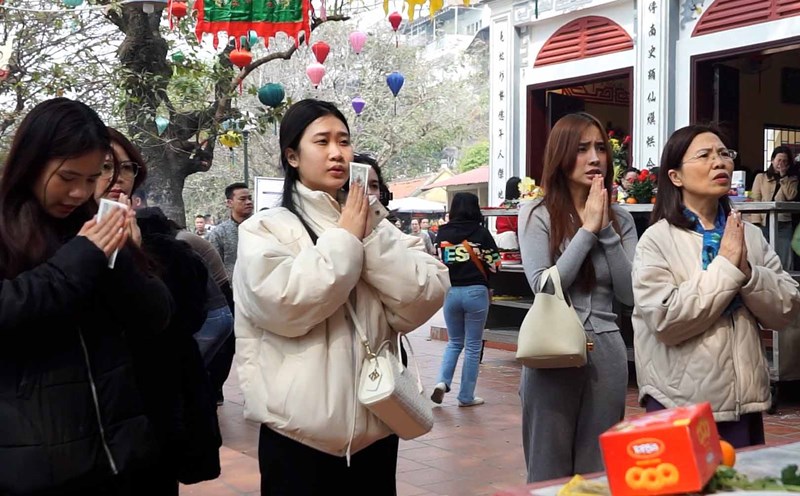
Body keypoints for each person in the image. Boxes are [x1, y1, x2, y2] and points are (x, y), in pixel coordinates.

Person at [233, 99, 449, 495]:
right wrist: (345, 239)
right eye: (322, 141)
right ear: (292, 156)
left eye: (344, 141)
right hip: (299, 436)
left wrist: (367, 234)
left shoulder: (379, 226)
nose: (337, 153)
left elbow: (423, 297)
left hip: (380, 422)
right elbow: (285, 306)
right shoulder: (265, 229)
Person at [0, 98, 174, 495]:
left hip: (117, 455)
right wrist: (78, 261)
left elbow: (156, 317)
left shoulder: (95, 224)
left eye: (92, 177)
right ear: (31, 162)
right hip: (30, 465)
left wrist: (123, 259)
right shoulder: (7, 228)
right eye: (66, 177)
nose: (79, 192)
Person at [632, 125, 800, 449]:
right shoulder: (657, 239)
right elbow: (666, 320)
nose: (719, 162)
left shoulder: (749, 235)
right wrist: (725, 266)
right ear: (676, 176)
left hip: (744, 404)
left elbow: (786, 307)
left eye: (724, 154)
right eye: (705, 155)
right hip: (679, 404)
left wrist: (748, 272)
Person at [97, 128, 222, 493]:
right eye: (105, 166)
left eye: (128, 168)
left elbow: (185, 322)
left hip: (153, 425)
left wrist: (134, 262)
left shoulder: (168, 251)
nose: (117, 178)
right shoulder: (54, 251)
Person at [517, 112, 637, 483]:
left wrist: (605, 230)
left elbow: (630, 293)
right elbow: (545, 285)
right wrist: (587, 229)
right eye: (582, 148)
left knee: (598, 474)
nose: (595, 158)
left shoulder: (622, 219)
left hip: (608, 354)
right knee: (547, 471)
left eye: (601, 148)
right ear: (562, 154)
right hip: (550, 352)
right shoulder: (537, 213)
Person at [431, 192, 500, 407]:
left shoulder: (442, 233)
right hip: (476, 293)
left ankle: (442, 382)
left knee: (454, 343)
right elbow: (495, 264)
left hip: (450, 292)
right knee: (472, 346)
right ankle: (466, 396)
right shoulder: (481, 233)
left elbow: (439, 261)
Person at [206, 181, 253, 404]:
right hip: (231, 296)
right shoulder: (219, 233)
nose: (248, 202)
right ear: (229, 203)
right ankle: (215, 389)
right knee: (227, 348)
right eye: (242, 199)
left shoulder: (260, 228)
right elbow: (214, 266)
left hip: (257, 296)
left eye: (249, 198)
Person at [747, 146, 798, 270]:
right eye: (779, 160)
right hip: (763, 221)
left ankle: (785, 280)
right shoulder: (761, 177)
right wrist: (755, 222)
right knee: (762, 253)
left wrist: (783, 177)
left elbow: (791, 196)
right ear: (772, 160)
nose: (781, 163)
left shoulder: (792, 179)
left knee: (784, 253)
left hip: (783, 222)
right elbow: (755, 198)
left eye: (785, 161)